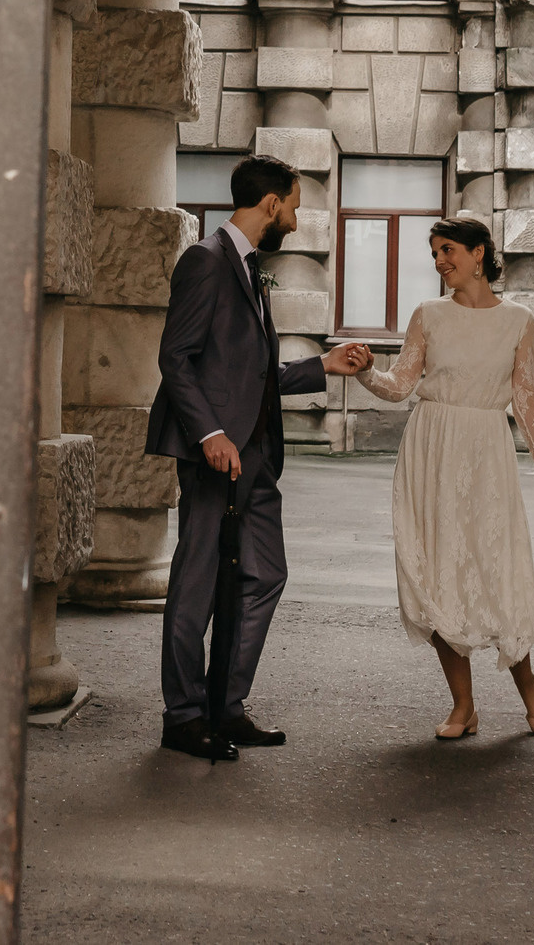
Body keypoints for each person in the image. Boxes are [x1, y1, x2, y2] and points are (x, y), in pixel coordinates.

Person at [148, 154, 373, 761]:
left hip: (257, 457)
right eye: (294, 207)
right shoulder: (205, 260)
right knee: (197, 584)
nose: (295, 221)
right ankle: (184, 716)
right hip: (216, 455)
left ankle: (226, 705)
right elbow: (176, 359)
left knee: (265, 575)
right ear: (271, 203)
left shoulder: (249, 268)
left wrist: (321, 365)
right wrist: (209, 435)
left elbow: (249, 375)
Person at [344, 216, 534, 740]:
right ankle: (463, 706)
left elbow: (527, 401)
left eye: (447, 250)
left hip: (486, 451)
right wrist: (366, 371)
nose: (439, 261)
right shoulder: (428, 314)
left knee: (494, 571)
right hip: (431, 450)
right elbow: (401, 385)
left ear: (478, 253)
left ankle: (532, 691)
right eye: (434, 253)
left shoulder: (518, 319)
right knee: (436, 574)